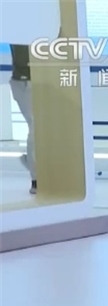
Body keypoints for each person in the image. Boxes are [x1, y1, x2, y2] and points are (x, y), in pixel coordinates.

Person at [9, 43, 36, 194]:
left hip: (29, 80)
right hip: (26, 81)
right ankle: (36, 176)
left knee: (37, 127)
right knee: (35, 126)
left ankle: (34, 165)